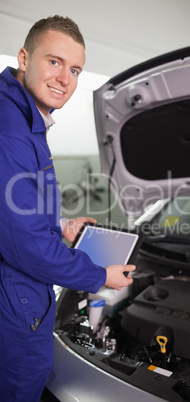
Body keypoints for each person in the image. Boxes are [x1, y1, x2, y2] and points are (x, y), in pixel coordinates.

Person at [0, 15, 135, 402]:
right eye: (54, 62)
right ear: (24, 58)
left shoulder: (20, 115)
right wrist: (98, 276)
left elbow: (13, 204)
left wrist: (59, 224)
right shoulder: (11, 130)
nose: (65, 78)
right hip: (16, 300)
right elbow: (26, 247)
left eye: (74, 69)